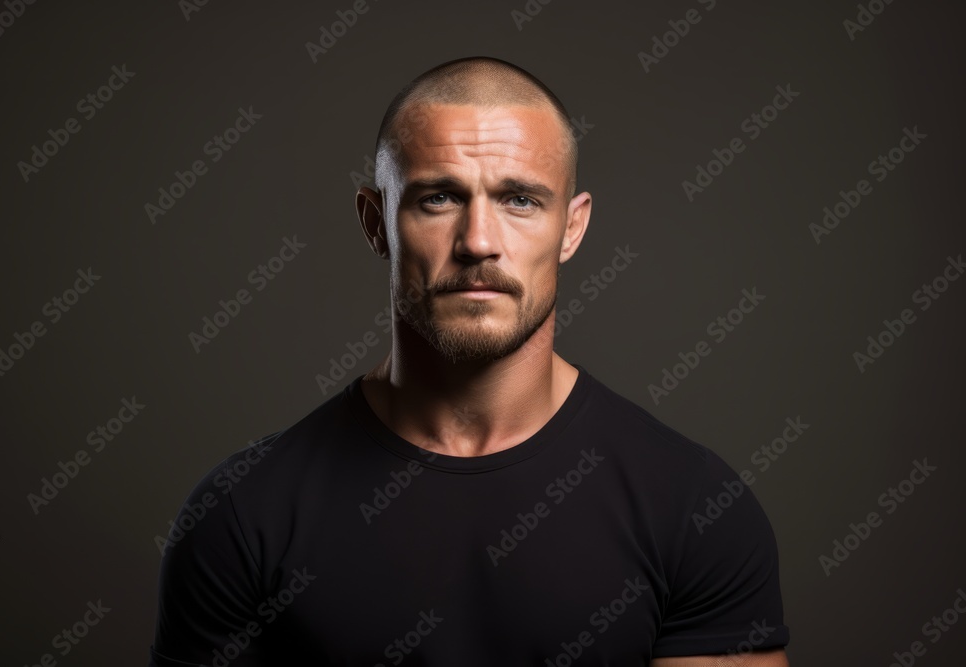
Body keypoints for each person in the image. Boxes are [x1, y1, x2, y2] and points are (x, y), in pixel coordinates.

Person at [149, 56, 790, 666]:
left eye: (520, 200)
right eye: (438, 198)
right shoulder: (242, 514)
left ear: (571, 227)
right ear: (376, 223)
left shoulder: (695, 505)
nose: (479, 243)